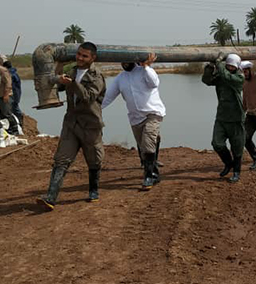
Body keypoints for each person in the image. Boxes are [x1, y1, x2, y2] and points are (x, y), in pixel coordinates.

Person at [37, 42, 106, 211]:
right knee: (61, 159)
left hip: (90, 125)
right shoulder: (72, 71)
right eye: (79, 54)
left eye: (84, 56)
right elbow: (58, 85)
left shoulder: (97, 76)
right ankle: (51, 197)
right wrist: (59, 69)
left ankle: (93, 190)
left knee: (94, 160)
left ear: (92, 58)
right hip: (71, 123)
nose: (80, 58)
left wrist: (72, 82)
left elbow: (88, 97)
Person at [102, 53, 166, 190]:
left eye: (127, 61)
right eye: (122, 61)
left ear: (134, 60)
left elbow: (154, 83)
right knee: (143, 147)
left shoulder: (145, 71)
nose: (124, 64)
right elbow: (107, 97)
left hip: (152, 113)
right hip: (135, 118)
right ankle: (154, 172)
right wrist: (93, 108)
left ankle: (149, 177)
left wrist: (146, 66)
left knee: (148, 144)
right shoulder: (120, 78)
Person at [202, 53, 245, 183]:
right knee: (217, 143)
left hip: (236, 118)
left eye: (232, 66)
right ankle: (228, 163)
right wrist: (210, 66)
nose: (230, 68)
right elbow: (207, 80)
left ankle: (236, 172)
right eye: (228, 66)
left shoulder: (239, 77)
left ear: (237, 67)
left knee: (237, 148)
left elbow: (227, 76)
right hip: (221, 117)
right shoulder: (222, 75)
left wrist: (219, 62)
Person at [0, 59, 19, 135]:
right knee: (1, 114)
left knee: (7, 113)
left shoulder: (3, 72)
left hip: (5, 96)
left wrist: (6, 95)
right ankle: (7, 129)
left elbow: (8, 84)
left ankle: (15, 129)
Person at [3, 60, 24, 128]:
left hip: (14, 93)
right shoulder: (13, 73)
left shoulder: (11, 74)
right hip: (16, 93)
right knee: (14, 106)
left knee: (13, 107)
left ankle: (20, 120)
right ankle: (19, 120)